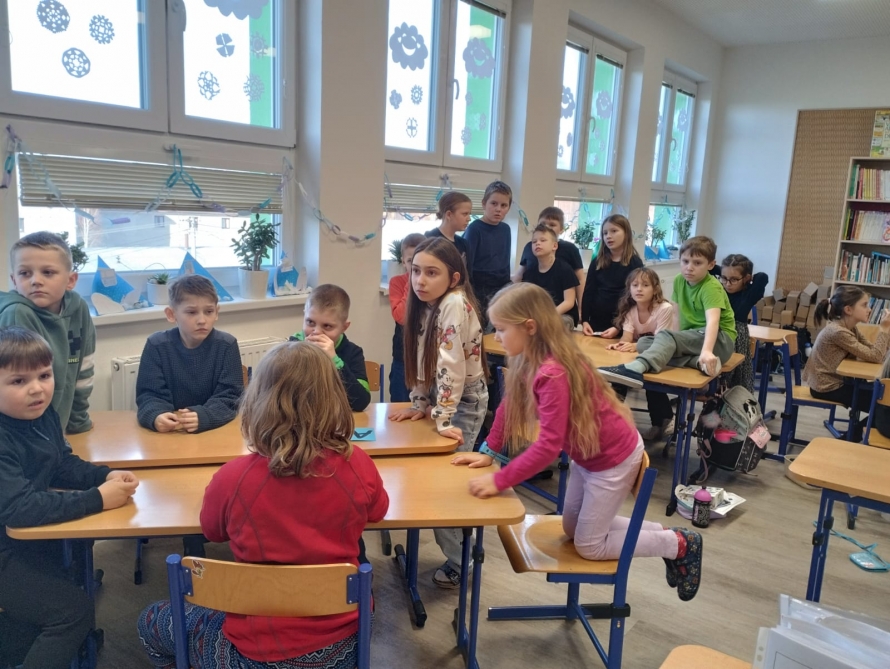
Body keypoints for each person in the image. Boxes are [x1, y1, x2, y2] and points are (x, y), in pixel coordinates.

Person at [137, 341, 388, 669]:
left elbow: (212, 531)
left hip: (253, 651)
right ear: (335, 400)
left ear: (259, 402)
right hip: (342, 647)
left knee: (150, 620)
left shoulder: (232, 478)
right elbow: (378, 511)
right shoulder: (358, 465)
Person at [452, 284, 702, 601]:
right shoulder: (529, 357)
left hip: (611, 460)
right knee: (572, 529)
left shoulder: (552, 372)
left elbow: (547, 447)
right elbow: (509, 405)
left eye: (501, 329)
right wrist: (489, 452)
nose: (496, 337)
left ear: (530, 327)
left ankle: (677, 545)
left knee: (589, 546)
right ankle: (661, 532)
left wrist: (499, 480)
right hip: (588, 457)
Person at [0, 326, 138, 669]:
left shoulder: (41, 414)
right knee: (73, 612)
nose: (37, 388)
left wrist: (104, 476)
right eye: (18, 381)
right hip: (6, 550)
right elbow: (18, 508)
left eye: (44, 375)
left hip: (24, 541)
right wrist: (97, 499)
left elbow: (61, 463)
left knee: (75, 562)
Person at [388, 237, 488, 589]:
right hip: (441, 396)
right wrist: (419, 401)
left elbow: (451, 364)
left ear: (454, 278)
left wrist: (443, 416)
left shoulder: (454, 303)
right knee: (428, 480)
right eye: (416, 271)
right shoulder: (426, 304)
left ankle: (463, 560)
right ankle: (462, 551)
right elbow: (419, 354)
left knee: (443, 488)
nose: (420, 280)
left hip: (463, 401)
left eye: (432, 273)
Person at [598, 236, 736, 389]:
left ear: (711, 265)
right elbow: (676, 315)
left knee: (664, 337)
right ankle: (697, 362)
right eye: (685, 261)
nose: (689, 267)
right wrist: (676, 340)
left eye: (697, 263)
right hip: (695, 338)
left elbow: (713, 322)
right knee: (644, 344)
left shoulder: (711, 287)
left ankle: (635, 369)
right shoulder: (679, 280)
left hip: (719, 340)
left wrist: (707, 351)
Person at [0, 231, 95, 434]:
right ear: (14, 280)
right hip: (25, 436)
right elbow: (19, 392)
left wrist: (78, 421)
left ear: (71, 280)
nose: (36, 280)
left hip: (60, 431)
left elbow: (84, 368)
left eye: (48, 272)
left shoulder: (78, 308)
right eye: (25, 273)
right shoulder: (17, 313)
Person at [136, 274, 244, 434]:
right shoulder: (156, 345)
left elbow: (231, 397)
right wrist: (156, 415)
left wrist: (206, 416)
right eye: (192, 312)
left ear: (217, 312)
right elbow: (149, 395)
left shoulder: (227, 345)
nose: (202, 320)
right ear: (171, 314)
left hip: (214, 431)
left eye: (209, 311)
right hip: (172, 432)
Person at [804, 286, 890, 440]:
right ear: (848, 310)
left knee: (883, 397)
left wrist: (885, 335)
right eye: (864, 305)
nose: (869, 309)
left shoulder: (850, 328)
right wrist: (883, 329)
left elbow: (873, 351)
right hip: (825, 387)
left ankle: (852, 437)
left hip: (837, 382)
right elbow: (876, 356)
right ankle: (848, 440)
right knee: (883, 405)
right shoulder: (838, 331)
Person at [607, 268, 678, 441]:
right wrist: (620, 345)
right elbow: (627, 337)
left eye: (645, 285)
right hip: (640, 354)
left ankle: (661, 423)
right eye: (635, 285)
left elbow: (661, 342)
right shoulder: (631, 310)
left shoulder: (665, 308)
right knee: (619, 377)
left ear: (655, 289)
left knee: (652, 383)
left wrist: (634, 346)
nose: (639, 289)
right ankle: (610, 420)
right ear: (629, 288)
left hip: (663, 356)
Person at [290, 284, 371, 412]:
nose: (316, 332)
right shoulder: (291, 347)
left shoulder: (353, 353)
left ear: (344, 327)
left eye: (327, 326)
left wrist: (335, 361)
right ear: (304, 315)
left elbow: (361, 402)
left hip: (336, 418)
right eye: (310, 322)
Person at [513, 206, 584, 318]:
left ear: (561, 229)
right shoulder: (529, 248)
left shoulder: (569, 252)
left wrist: (581, 308)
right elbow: (519, 275)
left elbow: (579, 279)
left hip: (560, 310)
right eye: (543, 224)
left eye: (552, 225)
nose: (546, 227)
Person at [580, 214, 644, 338]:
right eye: (605, 233)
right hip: (596, 322)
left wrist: (618, 326)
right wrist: (585, 320)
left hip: (623, 324)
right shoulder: (597, 261)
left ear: (626, 233)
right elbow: (588, 292)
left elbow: (634, 298)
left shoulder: (635, 263)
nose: (608, 236)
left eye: (614, 231)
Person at [715, 254, 768, 392]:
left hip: (738, 336)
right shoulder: (718, 290)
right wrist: (725, 271)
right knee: (717, 377)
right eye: (724, 278)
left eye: (734, 279)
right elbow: (710, 269)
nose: (727, 284)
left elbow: (762, 276)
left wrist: (747, 278)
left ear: (746, 278)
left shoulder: (749, 294)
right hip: (718, 333)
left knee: (738, 374)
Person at [462, 180, 513, 325]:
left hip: (501, 286)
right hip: (479, 289)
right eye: (494, 203)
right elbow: (467, 265)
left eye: (503, 205)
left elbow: (505, 260)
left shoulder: (506, 229)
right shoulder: (474, 229)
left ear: (508, 208)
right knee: (480, 328)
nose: (498, 209)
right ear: (484, 204)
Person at [520, 223, 579, 329]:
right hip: (537, 315)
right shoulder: (530, 272)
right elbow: (526, 299)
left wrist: (548, 316)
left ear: (554, 246)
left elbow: (569, 302)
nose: (538, 243)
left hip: (562, 315)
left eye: (543, 240)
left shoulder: (565, 269)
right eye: (534, 242)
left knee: (549, 326)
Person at [389, 233, 426, 402]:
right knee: (400, 404)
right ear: (403, 262)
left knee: (424, 405)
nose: (415, 266)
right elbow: (401, 317)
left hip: (427, 358)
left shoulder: (433, 284)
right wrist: (411, 284)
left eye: (420, 260)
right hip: (403, 358)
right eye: (411, 261)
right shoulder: (397, 282)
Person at [425, 191, 474, 278]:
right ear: (449, 215)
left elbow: (468, 277)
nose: (469, 219)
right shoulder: (429, 239)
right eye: (465, 214)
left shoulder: (463, 243)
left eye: (469, 214)